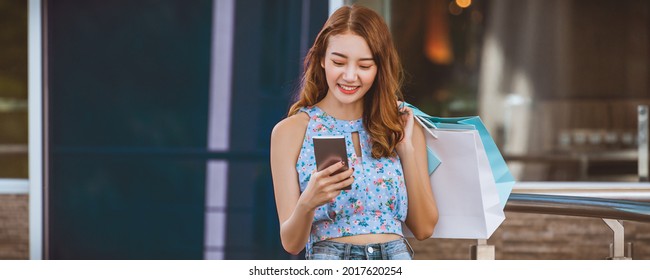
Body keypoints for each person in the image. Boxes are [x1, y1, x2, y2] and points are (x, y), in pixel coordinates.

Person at [270, 5, 438, 260]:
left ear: (379, 68)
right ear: (322, 60)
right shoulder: (291, 131)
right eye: (338, 62)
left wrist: (406, 150)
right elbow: (291, 243)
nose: (350, 76)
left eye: (364, 65)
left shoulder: (399, 125)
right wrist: (309, 201)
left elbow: (424, 228)